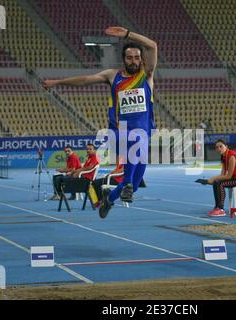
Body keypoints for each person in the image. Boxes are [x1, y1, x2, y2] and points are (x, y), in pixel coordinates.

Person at [43, 26, 157, 219]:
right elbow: (85, 80)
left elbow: (152, 46)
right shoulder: (113, 76)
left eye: (137, 57)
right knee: (132, 149)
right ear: (124, 60)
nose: (134, 61)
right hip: (121, 131)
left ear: (142, 60)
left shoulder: (146, 75)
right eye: (129, 57)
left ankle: (109, 199)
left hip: (143, 134)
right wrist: (59, 82)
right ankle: (126, 183)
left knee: (136, 184)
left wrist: (128, 35)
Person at [206, 139, 236, 217]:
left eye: (221, 146)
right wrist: (210, 181)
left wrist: (213, 179)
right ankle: (217, 207)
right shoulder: (224, 157)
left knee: (218, 183)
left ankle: (221, 209)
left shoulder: (231, 156)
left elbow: (228, 176)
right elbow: (222, 175)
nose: (218, 149)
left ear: (226, 146)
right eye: (217, 147)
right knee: (216, 182)